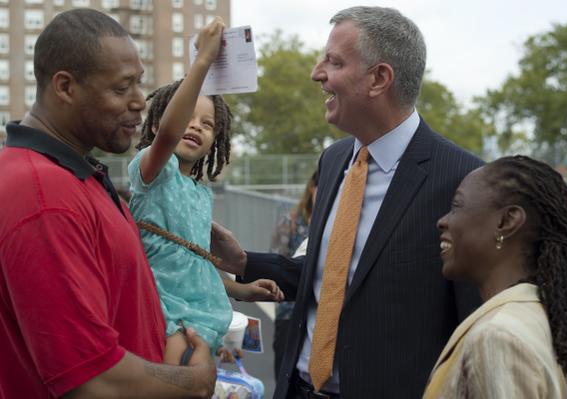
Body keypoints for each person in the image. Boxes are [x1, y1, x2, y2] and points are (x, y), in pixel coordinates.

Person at [210, 6, 484, 398]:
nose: (316, 73)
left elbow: (473, 327)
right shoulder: (335, 159)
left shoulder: (463, 179)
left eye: (333, 62)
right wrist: (244, 263)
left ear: (379, 78)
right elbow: (332, 276)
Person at [0, 9, 217, 399]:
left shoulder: (69, 175)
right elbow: (92, 381)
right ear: (65, 87)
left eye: (139, 85)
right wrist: (195, 382)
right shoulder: (45, 199)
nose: (138, 101)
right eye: (121, 89)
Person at [127, 19, 283, 365]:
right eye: (188, 117)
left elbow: (195, 264)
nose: (196, 125)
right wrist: (202, 63)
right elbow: (167, 137)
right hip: (162, 313)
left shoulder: (200, 193)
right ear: (158, 123)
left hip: (206, 318)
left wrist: (243, 290)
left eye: (208, 123)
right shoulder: (153, 171)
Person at [424, 155, 567, 398]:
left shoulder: (498, 337)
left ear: (506, 221)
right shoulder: (559, 326)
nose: (443, 221)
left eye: (457, 206)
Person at [270, 170, 318, 377]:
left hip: (323, 315)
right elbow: (275, 263)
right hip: (290, 312)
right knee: (285, 374)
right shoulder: (290, 221)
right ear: (311, 188)